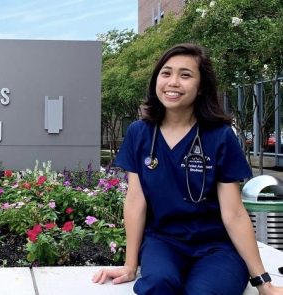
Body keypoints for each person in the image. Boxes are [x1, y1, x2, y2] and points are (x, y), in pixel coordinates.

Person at [91, 43, 283, 295]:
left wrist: (263, 282)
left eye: (185, 75)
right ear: (156, 80)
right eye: (166, 73)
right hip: (163, 242)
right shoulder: (140, 133)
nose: (173, 82)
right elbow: (135, 201)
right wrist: (130, 265)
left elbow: (234, 213)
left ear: (201, 87)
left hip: (216, 246)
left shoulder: (219, 136)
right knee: (158, 284)